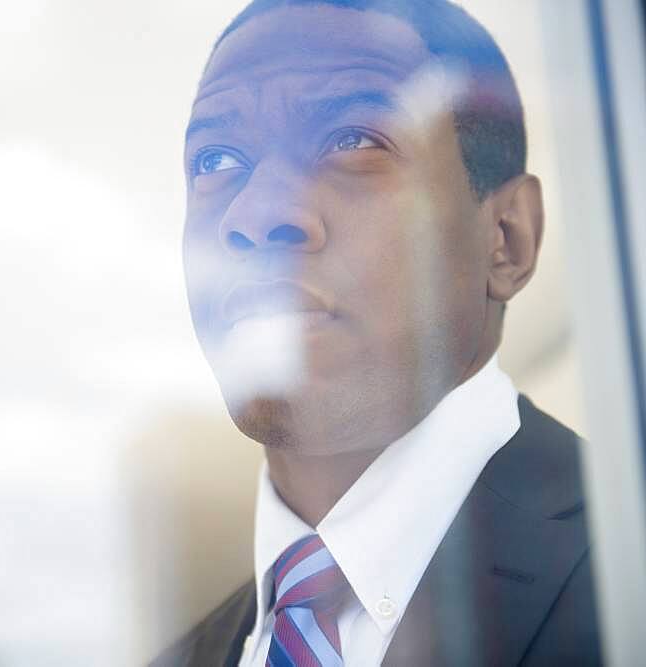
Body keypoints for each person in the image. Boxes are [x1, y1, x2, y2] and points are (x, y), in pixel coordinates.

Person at [153, 0, 601, 665]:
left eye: (353, 141)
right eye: (217, 160)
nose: (256, 212)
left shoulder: (627, 561)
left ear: (506, 239)